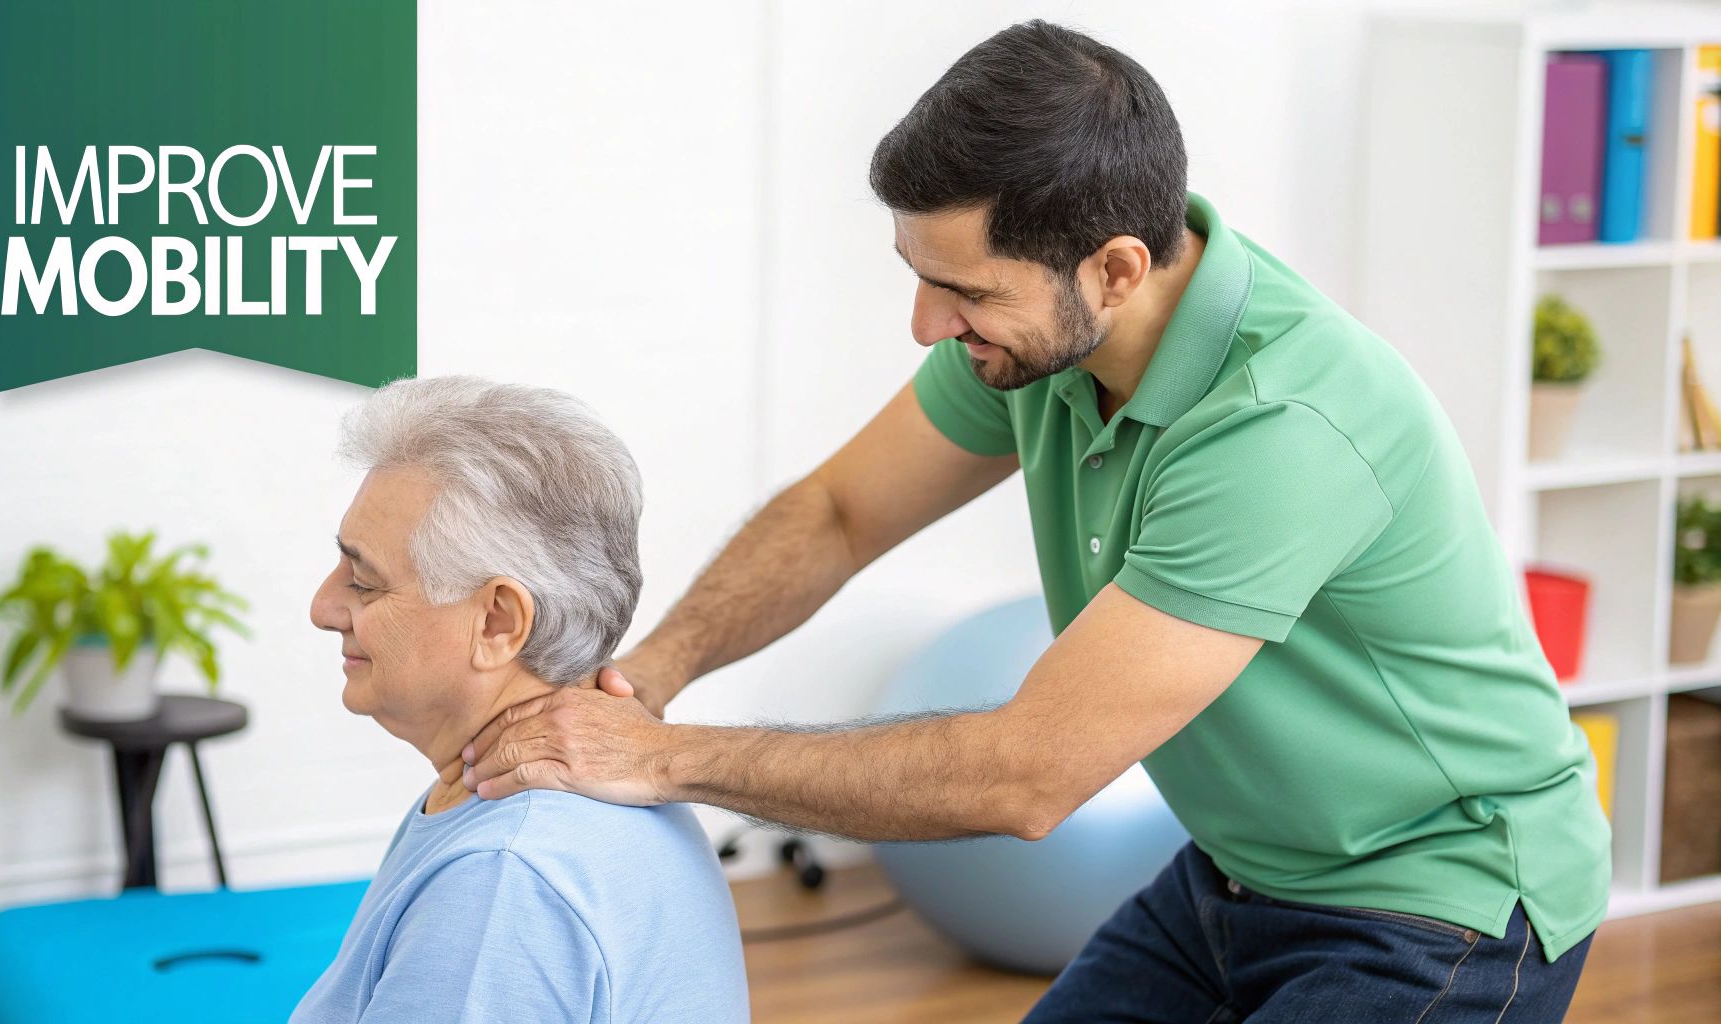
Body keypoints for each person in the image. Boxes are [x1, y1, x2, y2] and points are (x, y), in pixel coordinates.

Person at [459, 20, 1609, 1023]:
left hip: (1442, 903)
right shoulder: (1041, 343)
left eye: (963, 291)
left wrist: (660, 762)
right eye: (918, 276)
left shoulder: (1282, 423)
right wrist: (645, 680)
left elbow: (1026, 774)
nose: (924, 323)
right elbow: (839, 509)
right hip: (1238, 876)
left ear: (1112, 267)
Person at [293, 376, 749, 1024]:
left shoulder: (502, 880)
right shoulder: (515, 793)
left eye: (364, 581)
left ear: (498, 623)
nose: (323, 607)